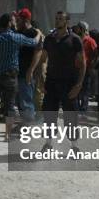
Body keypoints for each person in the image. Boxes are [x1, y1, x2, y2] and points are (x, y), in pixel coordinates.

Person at [0, 13, 41, 142]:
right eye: (13, 21)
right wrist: (38, 33)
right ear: (9, 23)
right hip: (10, 77)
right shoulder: (16, 37)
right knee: (9, 107)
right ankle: (7, 136)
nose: (15, 22)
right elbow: (34, 42)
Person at [33, 12, 84, 151]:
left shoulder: (75, 39)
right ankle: (48, 144)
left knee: (71, 117)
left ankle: (74, 147)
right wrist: (41, 80)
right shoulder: (49, 39)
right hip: (51, 83)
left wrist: (79, 85)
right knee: (49, 115)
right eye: (56, 19)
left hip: (69, 84)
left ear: (67, 21)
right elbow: (43, 59)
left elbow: (82, 63)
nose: (57, 21)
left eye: (60, 19)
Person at [14, 8, 43, 123]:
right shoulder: (18, 33)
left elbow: (38, 52)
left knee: (26, 101)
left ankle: (28, 126)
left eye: (18, 19)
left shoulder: (34, 33)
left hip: (27, 73)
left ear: (26, 19)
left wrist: (30, 70)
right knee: (19, 101)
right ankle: (24, 123)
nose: (16, 21)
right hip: (17, 71)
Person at [75, 21, 97, 112]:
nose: (76, 29)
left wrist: (92, 65)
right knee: (76, 87)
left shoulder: (90, 41)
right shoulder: (75, 39)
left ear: (82, 29)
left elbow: (96, 54)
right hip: (75, 68)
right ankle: (76, 107)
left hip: (86, 69)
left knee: (85, 89)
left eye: (78, 28)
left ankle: (83, 108)